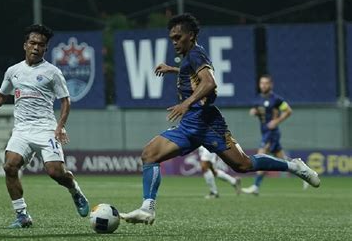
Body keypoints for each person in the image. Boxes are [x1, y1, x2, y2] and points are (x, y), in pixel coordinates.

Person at [120, 13, 320, 225]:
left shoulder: (196, 54)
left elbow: (210, 82)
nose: (174, 42)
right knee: (149, 155)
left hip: (207, 124)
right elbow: (193, 75)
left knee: (243, 165)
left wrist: (186, 103)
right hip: (190, 124)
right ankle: (147, 208)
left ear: (192, 35)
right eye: (172, 38)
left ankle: (294, 166)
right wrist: (173, 70)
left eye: (178, 37)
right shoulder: (191, 57)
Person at [0, 24, 89, 229]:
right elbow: (2, 95)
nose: (36, 47)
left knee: (56, 172)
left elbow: (65, 101)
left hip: (46, 129)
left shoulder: (52, 72)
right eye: (33, 43)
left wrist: (60, 126)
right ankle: (22, 215)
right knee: (10, 166)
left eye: (41, 45)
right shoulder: (13, 71)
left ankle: (75, 190)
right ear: (25, 45)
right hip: (22, 130)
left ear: (46, 49)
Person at [241, 75, 296, 195]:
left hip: (271, 133)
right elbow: (259, 111)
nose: (263, 85)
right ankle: (303, 171)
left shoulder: (276, 99)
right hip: (265, 132)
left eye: (266, 83)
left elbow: (288, 111)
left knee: (261, 156)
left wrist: (276, 121)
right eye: (261, 83)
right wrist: (254, 112)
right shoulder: (258, 99)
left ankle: (255, 186)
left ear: (271, 85)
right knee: (284, 160)